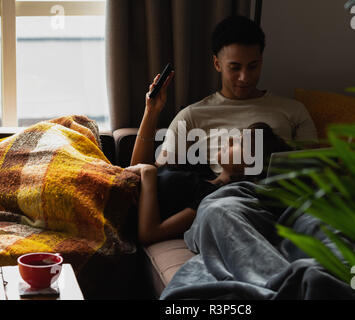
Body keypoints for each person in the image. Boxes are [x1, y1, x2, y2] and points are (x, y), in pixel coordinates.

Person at [128, 72, 292, 245]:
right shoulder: (201, 167)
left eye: (239, 142)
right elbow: (135, 172)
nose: (229, 139)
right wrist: (151, 110)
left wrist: (148, 172)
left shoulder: (211, 198)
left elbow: (150, 234)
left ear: (250, 164)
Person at [156, 15, 318, 173]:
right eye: (235, 67)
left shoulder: (294, 110)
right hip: (223, 193)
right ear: (217, 64)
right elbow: (153, 172)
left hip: (279, 192)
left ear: (261, 61)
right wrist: (151, 112)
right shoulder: (192, 115)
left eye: (253, 66)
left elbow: (314, 169)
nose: (244, 77)